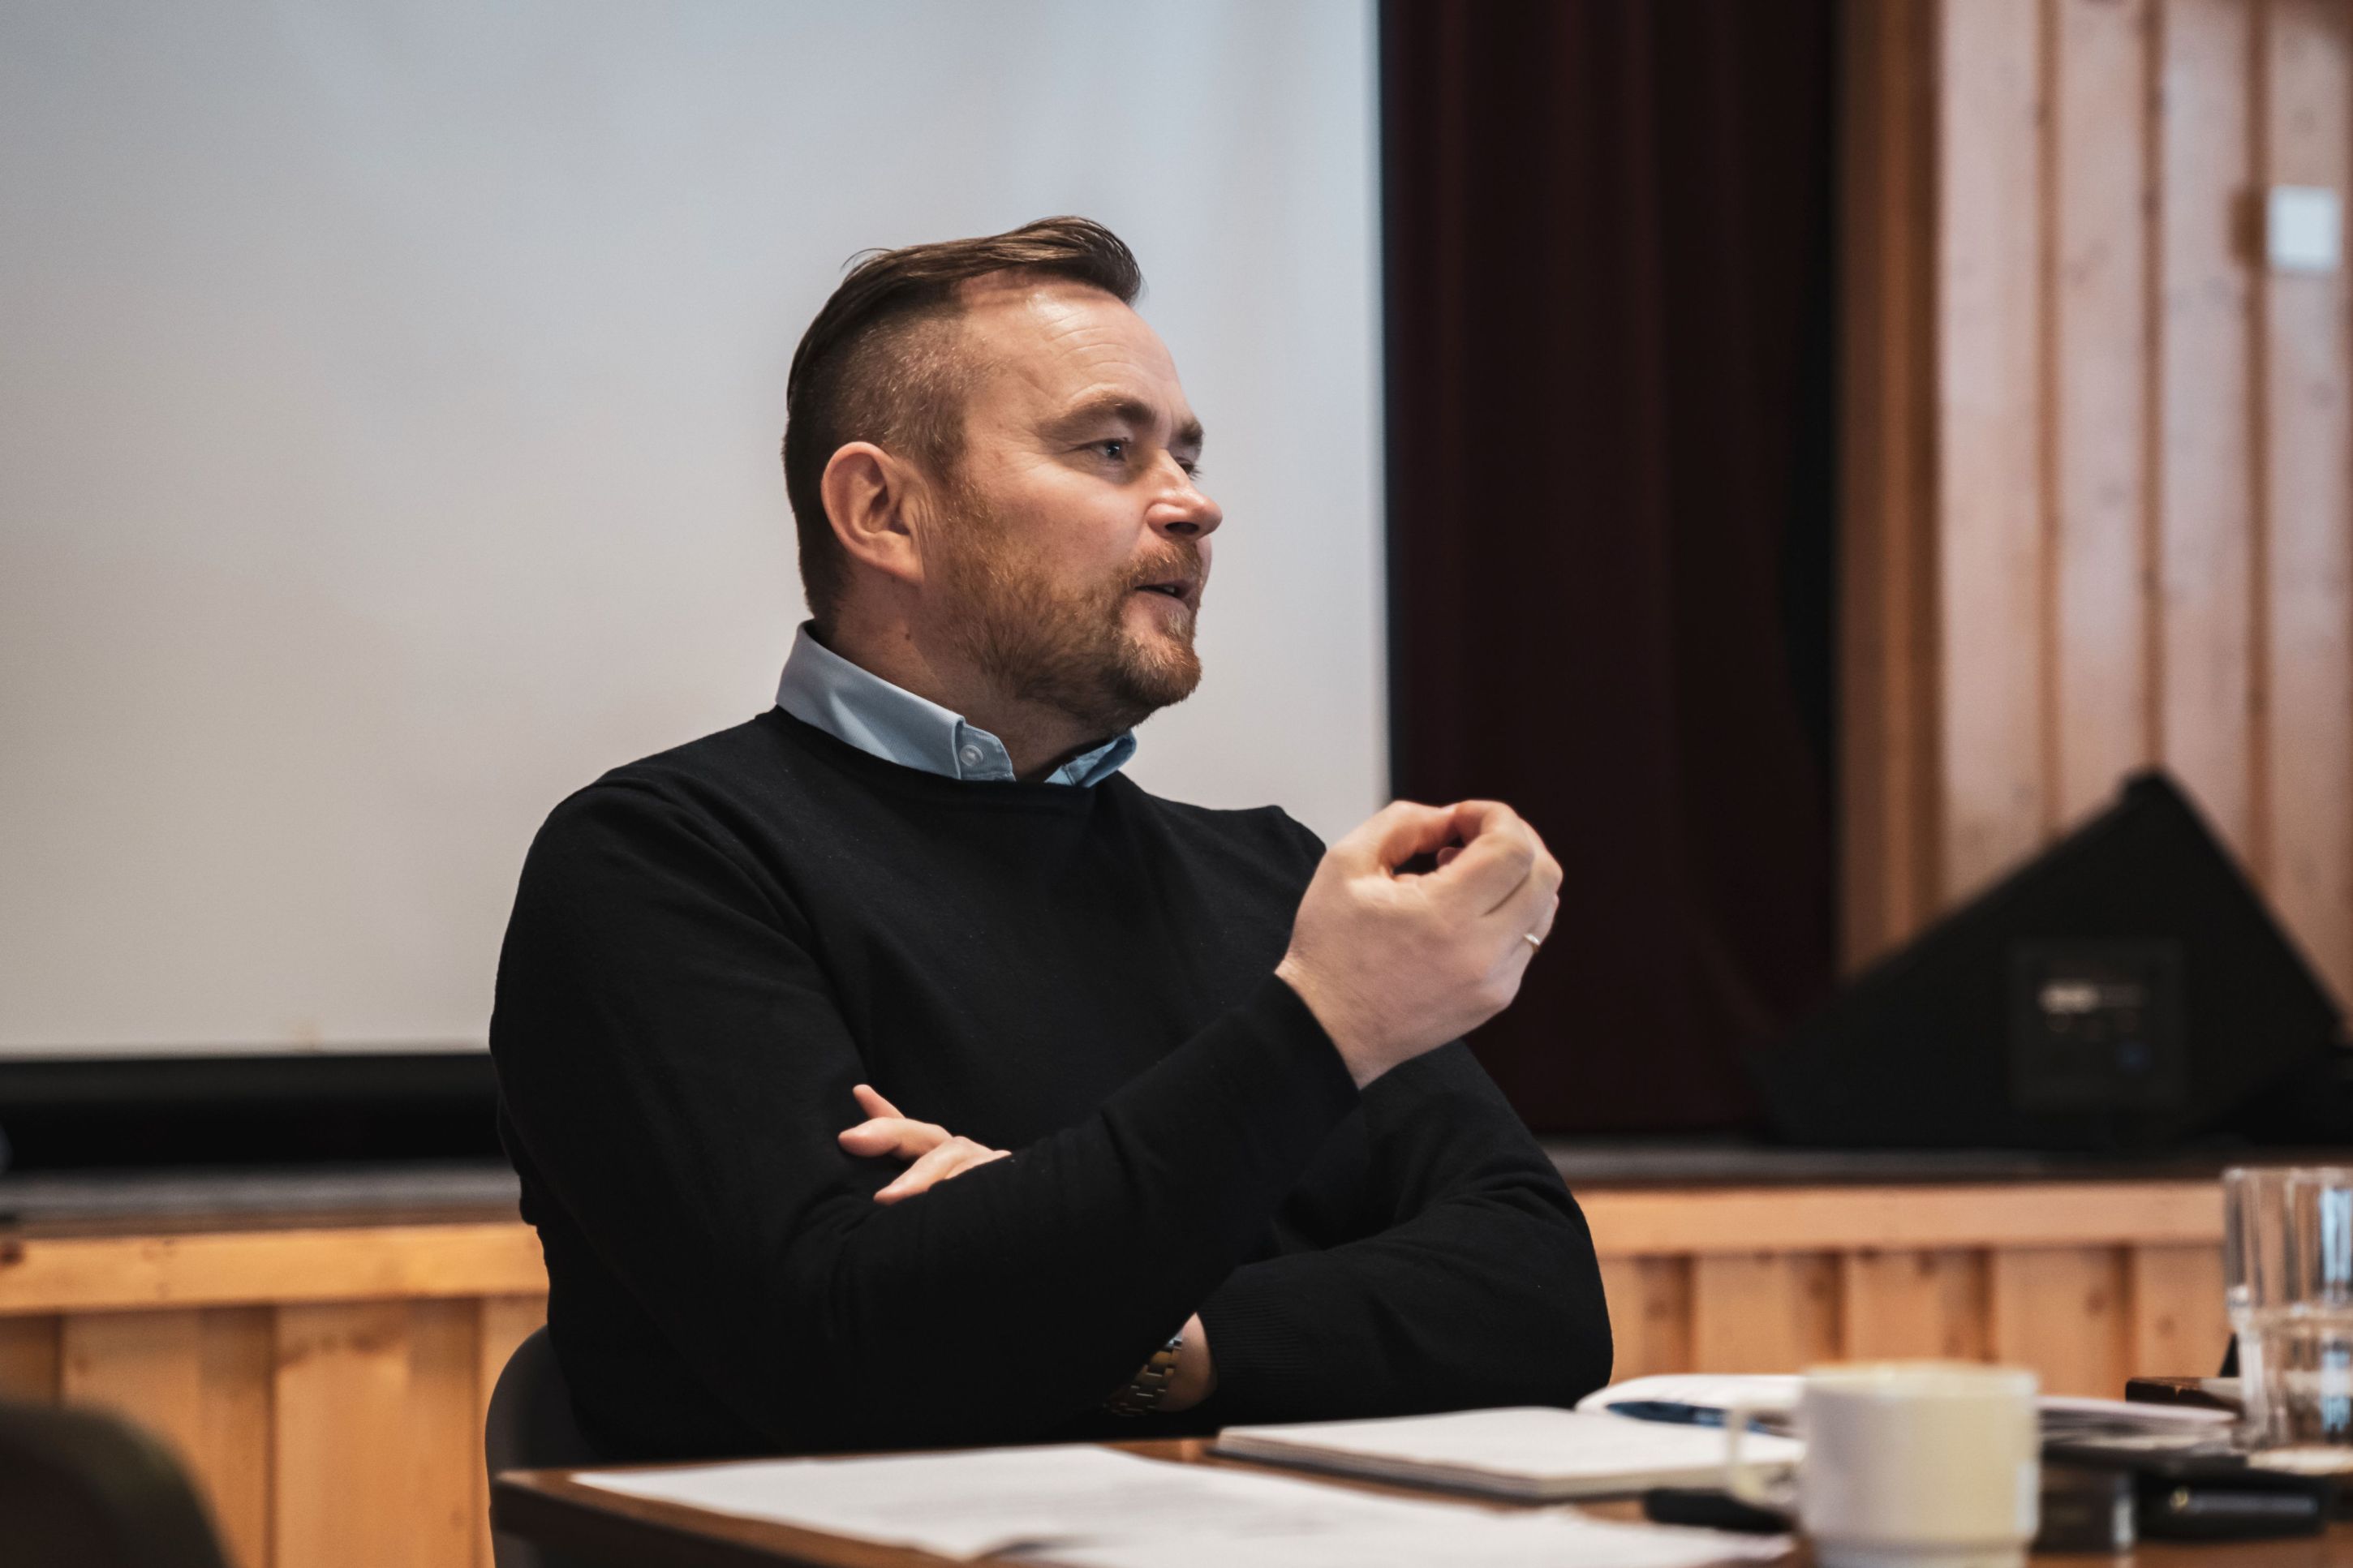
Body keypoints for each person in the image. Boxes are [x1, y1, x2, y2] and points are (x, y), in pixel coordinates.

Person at [489, 217, 1611, 1461]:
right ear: (883, 510)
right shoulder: (661, 867)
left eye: (1186, 453)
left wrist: (1138, 1326)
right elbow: (856, 1350)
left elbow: (1543, 1298)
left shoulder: (1269, 879)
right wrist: (1319, 1027)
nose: (1195, 505)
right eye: (1111, 449)